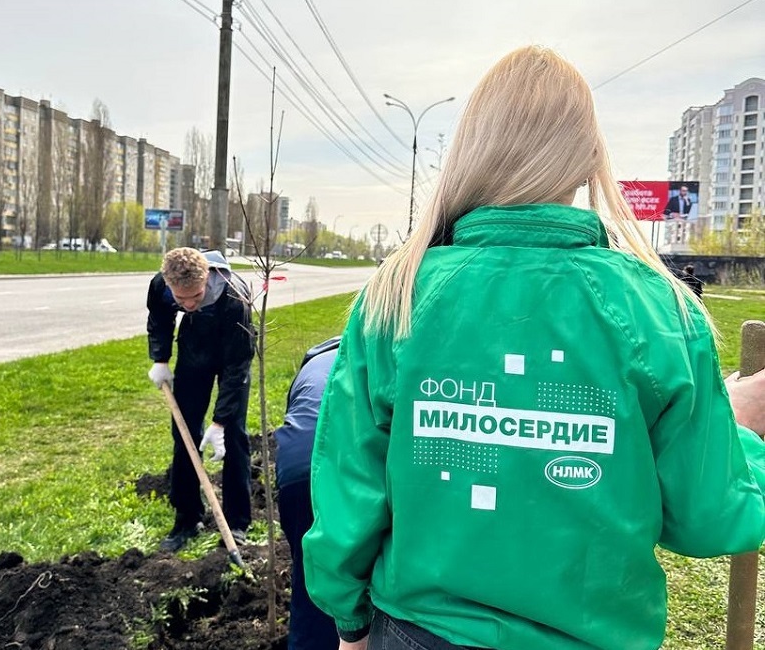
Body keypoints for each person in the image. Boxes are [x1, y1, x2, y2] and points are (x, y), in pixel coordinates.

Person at [302, 47, 765, 650]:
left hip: (417, 634)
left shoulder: (399, 293)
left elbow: (349, 487)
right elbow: (706, 517)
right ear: (586, 159)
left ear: (471, 150)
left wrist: (348, 620)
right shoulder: (660, 311)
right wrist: (746, 436)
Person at [146, 247, 255, 552]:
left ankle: (236, 523)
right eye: (182, 300)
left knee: (234, 435)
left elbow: (238, 367)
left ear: (207, 277)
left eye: (196, 296)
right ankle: (187, 519)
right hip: (194, 350)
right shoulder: (161, 285)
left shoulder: (235, 298)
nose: (190, 304)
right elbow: (159, 317)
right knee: (184, 434)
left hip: (232, 352)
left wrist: (220, 421)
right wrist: (161, 358)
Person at [275, 337, 342, 650]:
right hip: (341, 468)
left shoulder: (310, 369)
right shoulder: (372, 359)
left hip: (295, 472)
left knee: (310, 579)